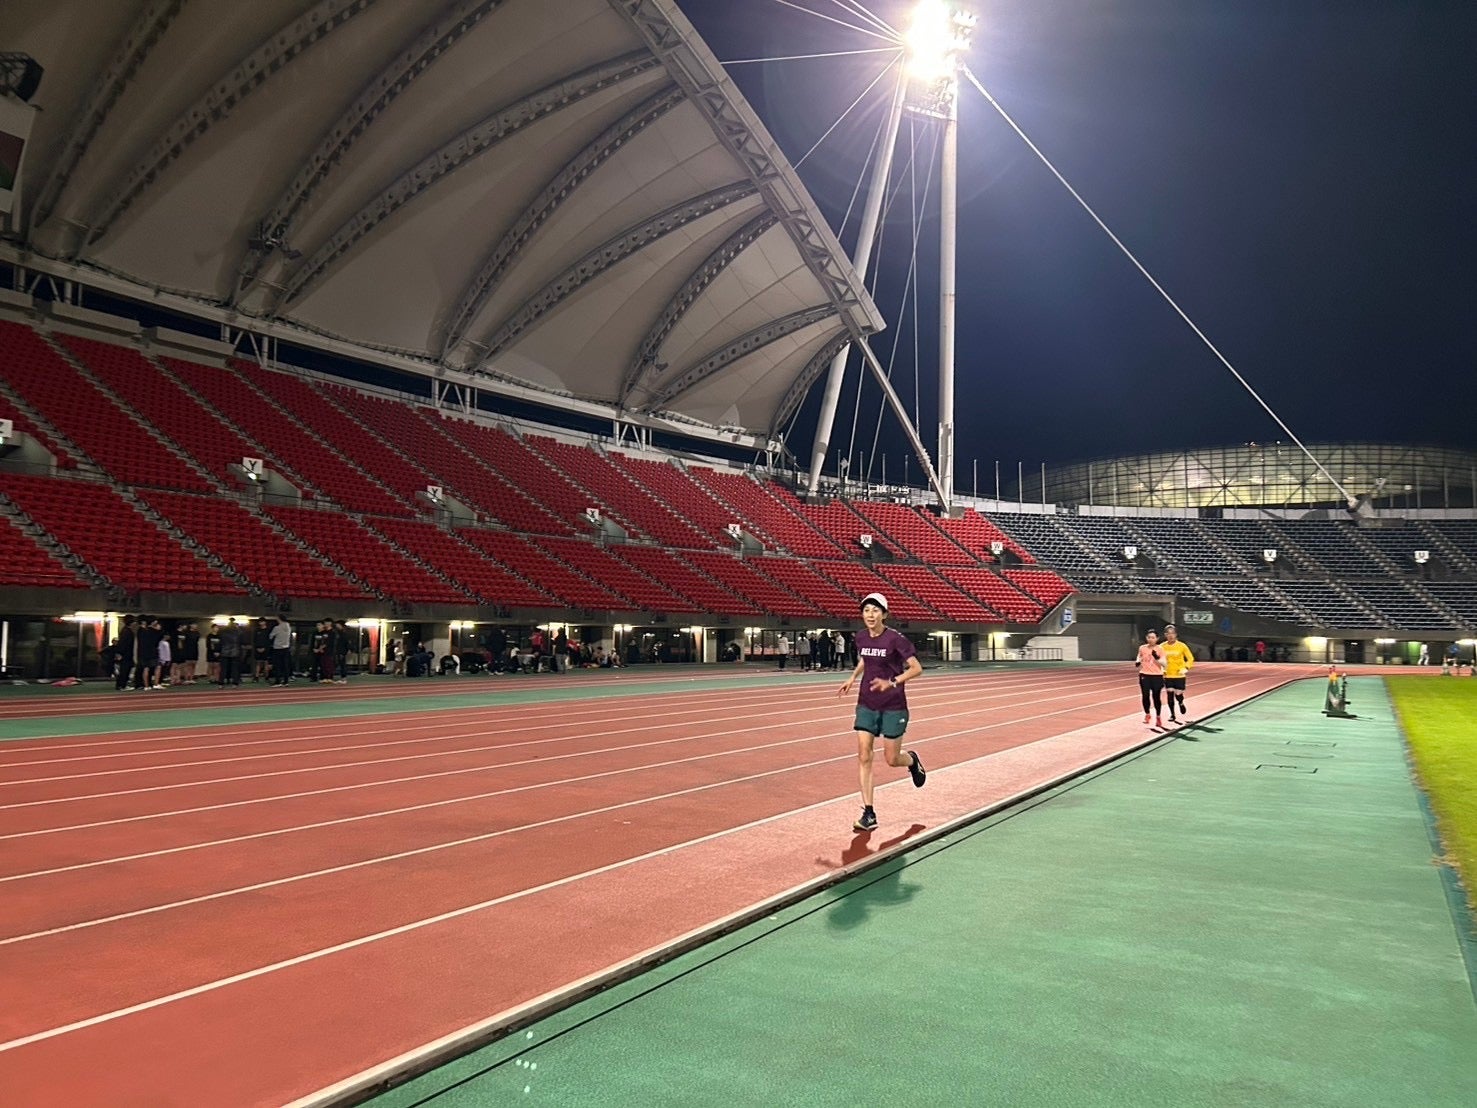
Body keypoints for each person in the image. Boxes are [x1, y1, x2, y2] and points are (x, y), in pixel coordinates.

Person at [838, 593, 925, 832]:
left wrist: (892, 682)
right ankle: (869, 813)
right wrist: (852, 677)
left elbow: (917, 668)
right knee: (864, 755)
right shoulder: (861, 637)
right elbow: (866, 659)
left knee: (891, 759)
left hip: (893, 705)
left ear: (884, 614)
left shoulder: (895, 639)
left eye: (876, 610)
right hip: (866, 703)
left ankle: (912, 760)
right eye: (866, 610)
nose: (870, 615)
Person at [1159, 624, 1195, 724]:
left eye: (1172, 633)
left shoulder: (1182, 646)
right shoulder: (1162, 646)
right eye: (1168, 633)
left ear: (1176, 634)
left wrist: (1186, 667)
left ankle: (1181, 702)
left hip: (1179, 674)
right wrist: (1161, 668)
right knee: (1169, 693)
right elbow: (1159, 659)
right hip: (1168, 674)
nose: (1170, 635)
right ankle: (1172, 714)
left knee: (1178, 694)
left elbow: (1190, 658)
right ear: (1165, 635)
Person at [1135, 629, 1166, 728]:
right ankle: (1147, 714)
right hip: (1144, 674)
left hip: (1157, 676)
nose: (1150, 639)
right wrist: (1137, 661)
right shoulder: (1142, 648)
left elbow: (1164, 664)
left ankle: (1158, 716)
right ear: (1146, 638)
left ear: (1157, 638)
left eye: (1153, 637)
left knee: (1156, 697)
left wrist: (1157, 657)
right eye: (1149, 637)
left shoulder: (1160, 649)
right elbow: (1139, 656)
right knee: (1145, 696)